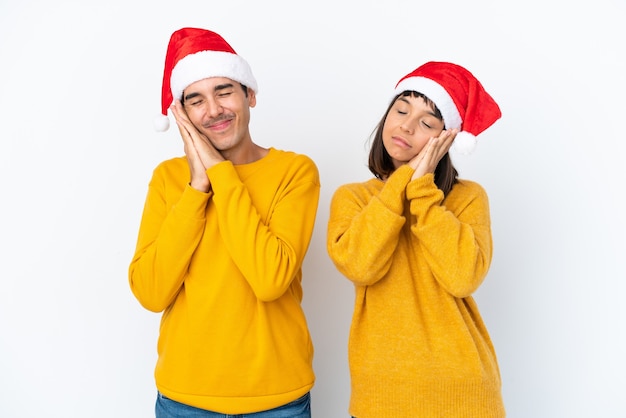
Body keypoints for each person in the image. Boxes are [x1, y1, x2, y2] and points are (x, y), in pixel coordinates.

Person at [129, 27, 320, 418]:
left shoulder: (294, 171)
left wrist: (221, 174)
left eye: (224, 91)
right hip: (185, 399)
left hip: (278, 399)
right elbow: (150, 292)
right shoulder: (169, 178)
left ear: (249, 94)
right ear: (182, 115)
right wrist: (198, 187)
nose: (213, 110)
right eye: (196, 100)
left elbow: (269, 279)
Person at [326, 61, 506, 417]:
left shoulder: (468, 198)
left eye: (426, 122)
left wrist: (421, 190)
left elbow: (463, 277)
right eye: (401, 109)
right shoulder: (354, 199)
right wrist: (403, 180)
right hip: (381, 397)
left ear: (446, 138)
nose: (406, 126)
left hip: (465, 395)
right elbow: (360, 265)